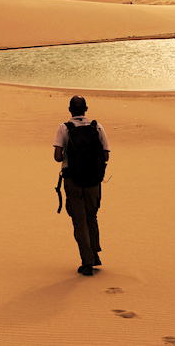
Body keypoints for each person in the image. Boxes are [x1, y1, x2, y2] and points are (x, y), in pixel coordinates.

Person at [53, 95, 110, 276]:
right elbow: (106, 155)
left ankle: (87, 262)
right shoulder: (97, 127)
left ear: (70, 110)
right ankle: (94, 253)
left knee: (79, 220)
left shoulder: (64, 128)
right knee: (91, 216)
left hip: (73, 180)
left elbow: (57, 156)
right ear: (86, 109)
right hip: (94, 180)